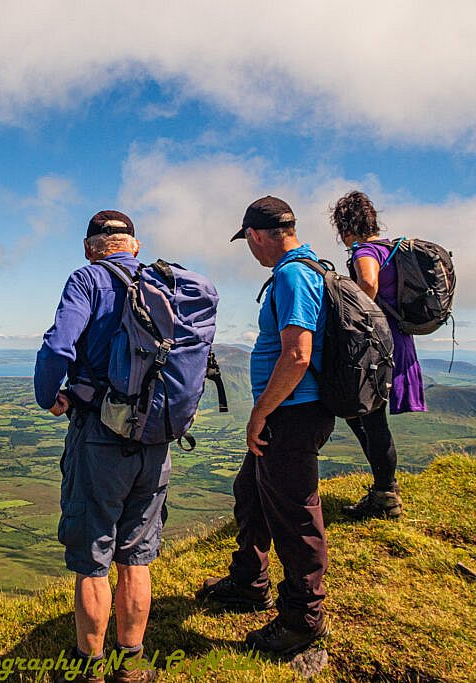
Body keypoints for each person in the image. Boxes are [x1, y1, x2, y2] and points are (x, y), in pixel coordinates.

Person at [197, 196, 334, 656]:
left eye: (249, 243)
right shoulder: (307, 269)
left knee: (295, 514)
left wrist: (260, 412)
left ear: (256, 236)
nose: (251, 252)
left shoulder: (294, 275)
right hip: (289, 412)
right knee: (251, 490)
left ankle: (302, 619)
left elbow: (298, 354)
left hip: (292, 414)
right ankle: (248, 583)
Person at [34, 210, 163, 683]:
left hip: (98, 433)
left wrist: (49, 397)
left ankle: (88, 668)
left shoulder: (86, 280)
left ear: (91, 246)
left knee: (93, 555)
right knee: (136, 551)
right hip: (154, 435)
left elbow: (58, 348)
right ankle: (131, 663)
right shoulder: (164, 283)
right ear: (135, 244)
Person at [331, 190, 426, 519]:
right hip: (399, 340)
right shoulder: (392, 249)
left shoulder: (365, 250)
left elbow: (368, 283)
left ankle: (385, 496)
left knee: (370, 417)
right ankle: (383, 488)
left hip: (376, 344)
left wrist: (355, 314)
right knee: (365, 416)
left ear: (346, 225)